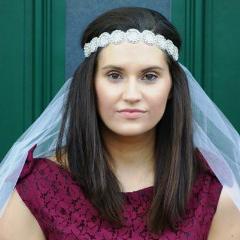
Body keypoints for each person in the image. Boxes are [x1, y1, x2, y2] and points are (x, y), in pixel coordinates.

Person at [0, 6, 240, 240]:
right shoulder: (37, 189)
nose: (132, 94)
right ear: (90, 84)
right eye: (114, 75)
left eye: (150, 76)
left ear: (171, 88)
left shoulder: (212, 187)